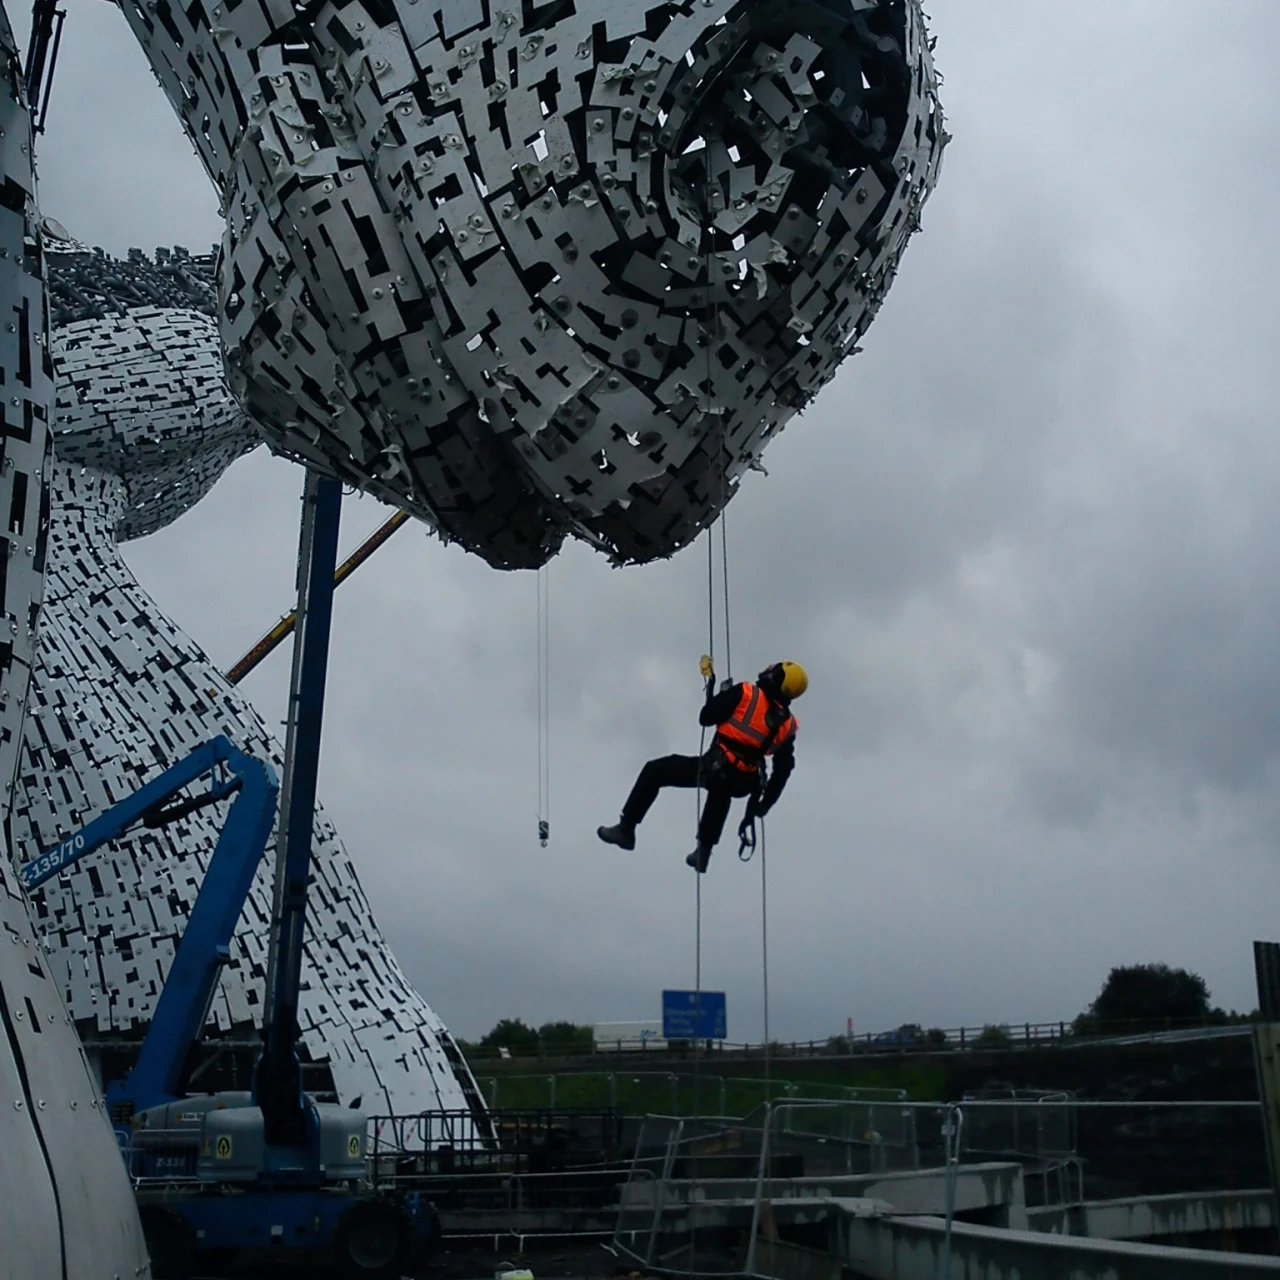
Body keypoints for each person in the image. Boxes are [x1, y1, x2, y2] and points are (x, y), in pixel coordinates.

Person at [597, 658, 807, 872]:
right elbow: (784, 769)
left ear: (775, 677)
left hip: (718, 765)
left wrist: (722, 697)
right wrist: (766, 803)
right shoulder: (788, 725)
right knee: (722, 789)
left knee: (656, 771)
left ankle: (626, 828)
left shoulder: (746, 693)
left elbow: (706, 717)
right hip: (746, 782)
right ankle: (703, 852)